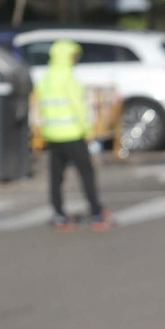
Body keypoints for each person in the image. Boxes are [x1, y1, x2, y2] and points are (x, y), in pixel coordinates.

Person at [35, 40, 114, 232]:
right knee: (86, 173)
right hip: (73, 134)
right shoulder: (68, 78)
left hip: (53, 135)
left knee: (56, 177)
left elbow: (39, 107)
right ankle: (96, 212)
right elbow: (79, 107)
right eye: (75, 56)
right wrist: (88, 131)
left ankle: (59, 214)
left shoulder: (46, 78)